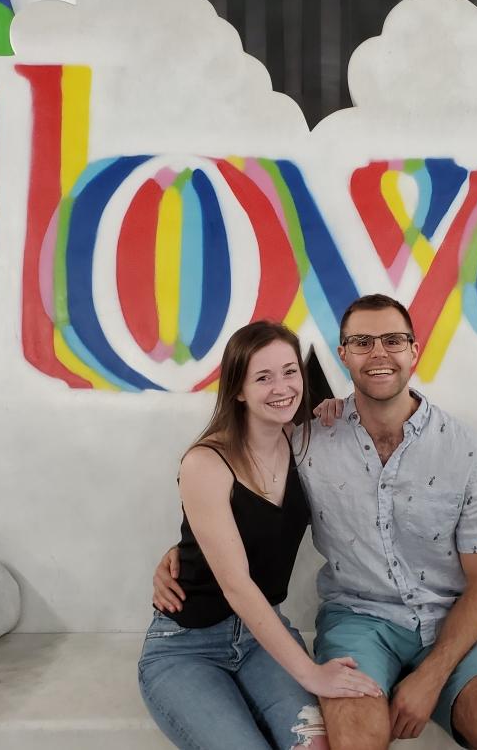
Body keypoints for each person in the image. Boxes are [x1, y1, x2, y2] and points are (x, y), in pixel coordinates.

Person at [155, 295, 477, 750]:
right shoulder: (308, 438)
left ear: (414, 351)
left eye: (393, 340)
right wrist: (182, 553)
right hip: (356, 622)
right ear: (344, 355)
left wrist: (431, 677)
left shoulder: (467, 450)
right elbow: (231, 501)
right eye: (362, 341)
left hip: (449, 624)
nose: (379, 353)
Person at [138, 320, 382, 750]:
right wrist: (311, 674)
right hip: (186, 647)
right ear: (238, 389)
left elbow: (378, 408)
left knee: (315, 746)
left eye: (290, 371)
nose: (282, 387)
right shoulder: (207, 462)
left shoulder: (306, 440)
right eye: (263, 377)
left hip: (262, 638)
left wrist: (337, 408)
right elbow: (235, 585)